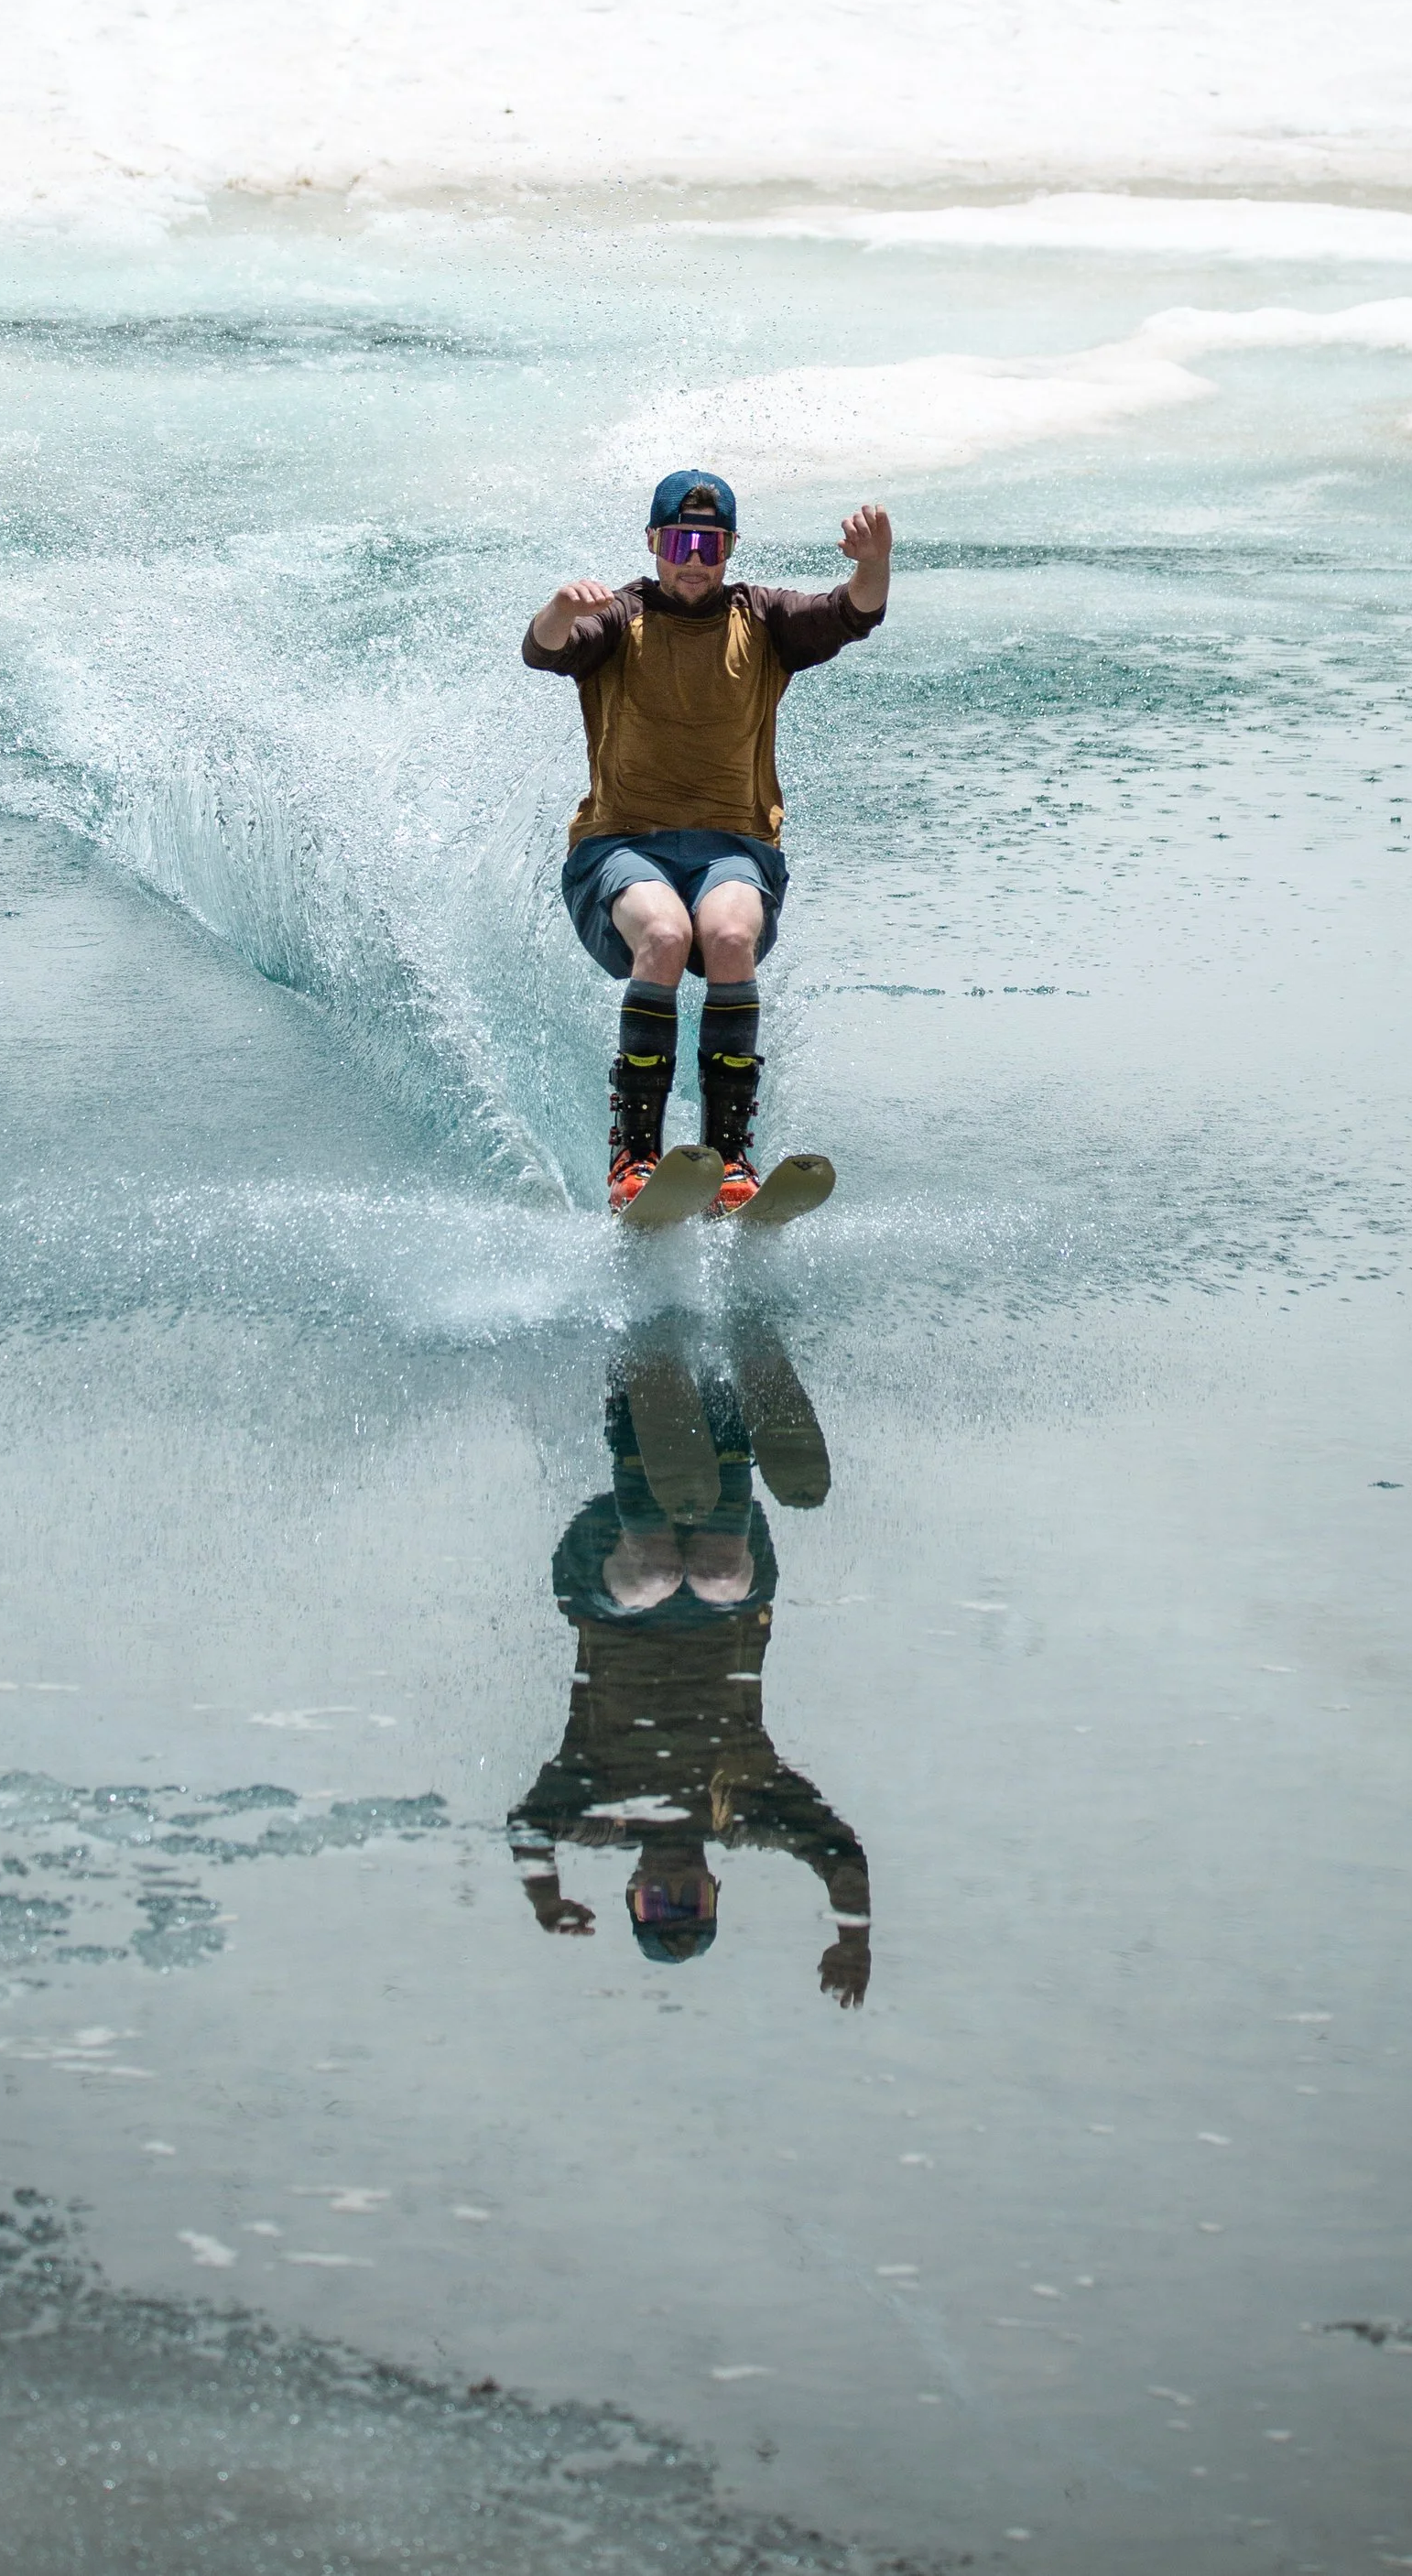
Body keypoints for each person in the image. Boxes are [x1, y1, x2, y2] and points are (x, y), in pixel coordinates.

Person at [524, 469, 893, 1212]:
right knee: (664, 933)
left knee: (725, 935)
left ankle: (728, 1159)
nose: (695, 559)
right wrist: (561, 607)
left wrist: (872, 563)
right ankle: (635, 1153)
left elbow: (853, 612)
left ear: (728, 549)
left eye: (711, 544)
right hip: (619, 851)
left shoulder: (763, 619)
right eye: (681, 542)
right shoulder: (619, 618)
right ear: (655, 543)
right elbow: (545, 650)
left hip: (734, 852)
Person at [506, 1339, 871, 2003]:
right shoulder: (745, 1807)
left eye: (657, 1901)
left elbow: (529, 1827)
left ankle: (635, 1380)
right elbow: (839, 1854)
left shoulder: (603, 1809)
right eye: (690, 1900)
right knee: (717, 1577)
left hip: (606, 1582)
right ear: (713, 1888)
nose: (673, 1886)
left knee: (655, 1574)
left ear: (633, 1891)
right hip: (729, 1581)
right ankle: (725, 1385)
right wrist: (853, 1936)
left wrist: (545, 1895)